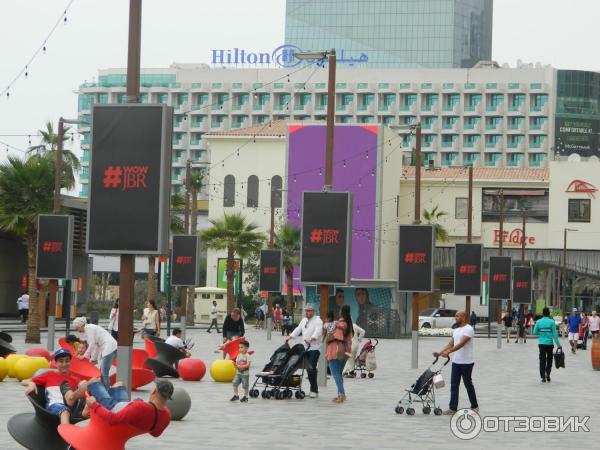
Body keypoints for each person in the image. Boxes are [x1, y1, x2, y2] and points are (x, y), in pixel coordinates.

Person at [83, 378, 172, 438]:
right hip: (126, 411)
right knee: (120, 384)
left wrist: (94, 405)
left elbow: (112, 419)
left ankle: (72, 399)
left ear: (154, 391)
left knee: (92, 381)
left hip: (111, 409)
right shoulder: (167, 416)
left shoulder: (140, 407)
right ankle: (102, 397)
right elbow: (155, 434)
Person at [23, 348, 87, 424]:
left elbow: (85, 387)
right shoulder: (49, 375)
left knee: (90, 392)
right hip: (55, 405)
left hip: (72, 406)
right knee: (64, 411)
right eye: (61, 361)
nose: (64, 364)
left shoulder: (74, 378)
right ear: (55, 363)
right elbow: (25, 381)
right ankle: (66, 433)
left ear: (70, 362)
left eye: (67, 361)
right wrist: (31, 384)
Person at [434, 311, 478, 415]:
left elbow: (461, 344)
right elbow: (451, 343)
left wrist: (448, 352)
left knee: (468, 384)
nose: (455, 318)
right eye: (455, 316)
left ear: (463, 317)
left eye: (457, 316)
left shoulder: (469, 329)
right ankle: (453, 409)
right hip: (456, 362)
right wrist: (439, 353)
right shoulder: (456, 330)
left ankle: (475, 406)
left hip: (467, 362)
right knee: (454, 385)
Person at [286, 303, 323, 398]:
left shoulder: (318, 320)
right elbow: (298, 329)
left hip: (315, 348)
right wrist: (290, 337)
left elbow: (318, 331)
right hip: (305, 348)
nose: (307, 312)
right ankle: (313, 389)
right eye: (306, 310)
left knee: (311, 368)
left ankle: (314, 390)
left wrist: (312, 338)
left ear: (313, 311)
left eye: (309, 311)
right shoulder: (304, 320)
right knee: (307, 369)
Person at [73, 316, 118, 388]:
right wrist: (93, 359)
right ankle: (106, 389)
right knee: (103, 371)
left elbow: (92, 344)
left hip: (109, 348)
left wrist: (84, 357)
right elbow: (95, 345)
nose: (76, 329)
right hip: (111, 347)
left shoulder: (88, 328)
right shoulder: (90, 328)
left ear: (80, 325)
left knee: (104, 373)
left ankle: (107, 391)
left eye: (76, 327)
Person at [326, 305, 353, 403]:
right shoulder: (348, 323)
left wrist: (328, 338)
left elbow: (337, 336)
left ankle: (341, 394)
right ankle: (340, 394)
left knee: (336, 374)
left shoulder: (340, 324)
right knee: (339, 374)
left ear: (342, 312)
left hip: (335, 350)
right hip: (345, 352)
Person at [533, 307, 562, 383]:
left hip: (541, 344)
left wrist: (541, 332)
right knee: (549, 359)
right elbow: (555, 335)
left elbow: (534, 332)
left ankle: (543, 377)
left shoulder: (539, 321)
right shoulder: (552, 322)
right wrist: (559, 345)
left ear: (542, 313)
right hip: (549, 344)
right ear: (549, 314)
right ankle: (548, 374)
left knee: (542, 360)